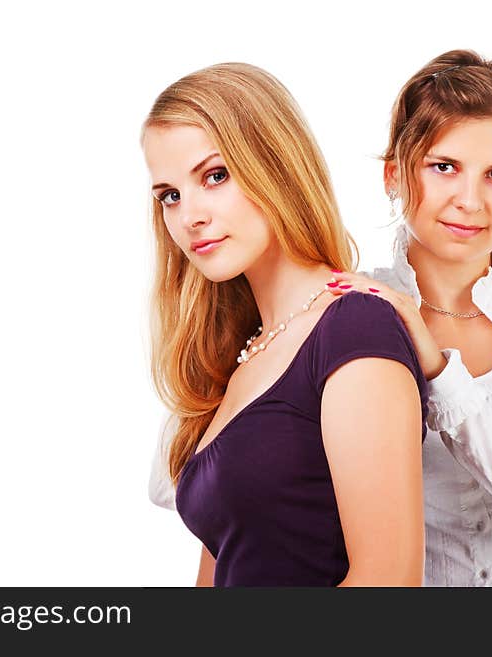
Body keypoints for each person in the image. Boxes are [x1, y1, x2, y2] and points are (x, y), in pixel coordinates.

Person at [149, 50, 492, 587]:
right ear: (393, 176)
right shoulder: (345, 307)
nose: (469, 200)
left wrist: (441, 373)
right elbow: (204, 486)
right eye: (443, 167)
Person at [141, 63, 429, 586]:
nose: (189, 216)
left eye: (215, 176)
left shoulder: (354, 329)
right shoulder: (238, 358)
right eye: (169, 195)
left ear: (273, 164)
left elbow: (388, 583)